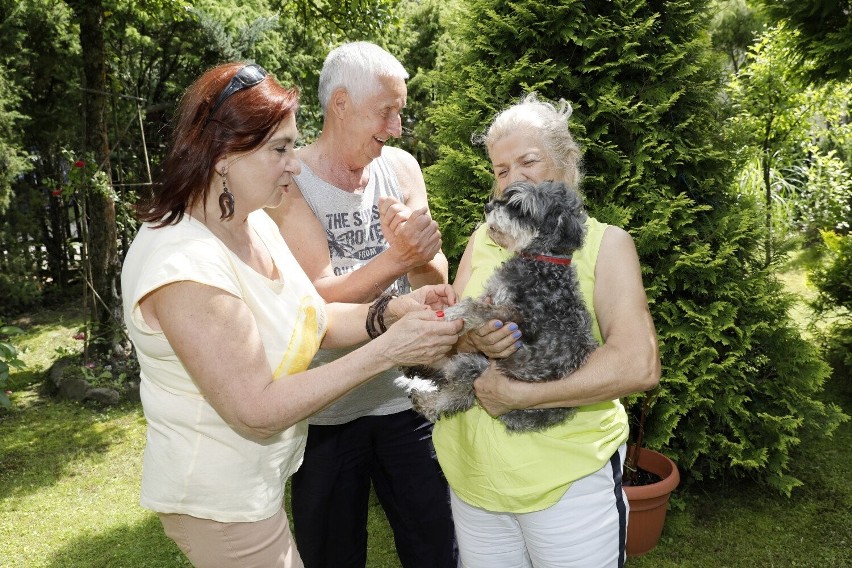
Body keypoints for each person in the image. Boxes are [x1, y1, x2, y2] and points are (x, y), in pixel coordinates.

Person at [120, 61, 463, 568]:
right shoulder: (184, 264)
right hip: (220, 507)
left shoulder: (252, 225)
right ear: (223, 156)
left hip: (254, 492)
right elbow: (255, 408)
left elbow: (316, 318)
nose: (295, 164)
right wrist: (390, 348)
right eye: (280, 149)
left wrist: (393, 311)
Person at [431, 93, 661, 568]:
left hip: (567, 483)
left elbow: (638, 363)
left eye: (528, 161)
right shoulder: (481, 239)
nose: (513, 178)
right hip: (475, 483)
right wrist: (470, 339)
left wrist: (522, 396)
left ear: (565, 165)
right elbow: (446, 342)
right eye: (500, 170)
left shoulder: (605, 244)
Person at [265, 42, 457, 568]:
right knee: (332, 554)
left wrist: (421, 260)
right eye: (387, 111)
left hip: (408, 397)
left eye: (400, 110)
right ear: (342, 104)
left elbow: (434, 275)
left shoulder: (402, 168)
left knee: (437, 546)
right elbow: (313, 300)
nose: (397, 126)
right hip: (328, 409)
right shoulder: (289, 179)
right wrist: (397, 259)